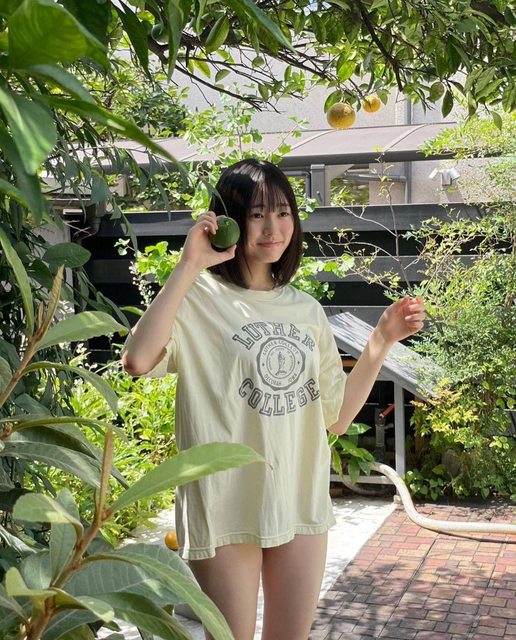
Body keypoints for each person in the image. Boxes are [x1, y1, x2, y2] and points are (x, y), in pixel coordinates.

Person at [122, 158, 425, 640]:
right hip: (224, 504)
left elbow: (337, 418)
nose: (273, 228)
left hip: (298, 500)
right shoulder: (197, 298)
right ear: (228, 220)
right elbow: (137, 360)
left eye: (283, 213)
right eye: (257, 214)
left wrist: (382, 339)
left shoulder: (305, 309)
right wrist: (188, 265)